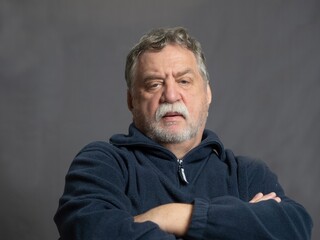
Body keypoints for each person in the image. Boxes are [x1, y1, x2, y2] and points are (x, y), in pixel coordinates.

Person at [54, 27, 313, 239]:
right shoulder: (101, 164)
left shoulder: (246, 175)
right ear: (131, 100)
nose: (170, 94)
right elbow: (92, 232)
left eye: (184, 81)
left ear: (207, 93)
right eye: (154, 84)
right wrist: (238, 223)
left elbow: (296, 229)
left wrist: (174, 215)